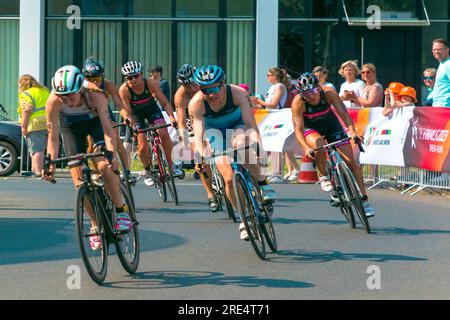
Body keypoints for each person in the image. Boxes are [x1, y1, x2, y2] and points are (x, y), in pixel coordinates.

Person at [43, 65, 132, 250]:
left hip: (94, 123)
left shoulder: (95, 94)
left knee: (104, 166)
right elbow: (52, 137)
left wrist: (112, 155)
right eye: (62, 96)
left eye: (70, 95)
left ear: (81, 89)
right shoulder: (53, 101)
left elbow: (108, 130)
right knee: (79, 183)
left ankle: (120, 209)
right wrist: (49, 163)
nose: (66, 100)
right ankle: (94, 225)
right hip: (71, 128)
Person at [189, 65, 276, 240]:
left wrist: (257, 145)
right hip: (215, 133)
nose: (211, 94)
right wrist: (199, 158)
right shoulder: (196, 104)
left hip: (238, 125)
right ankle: (244, 217)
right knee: (228, 178)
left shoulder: (237, 93)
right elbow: (198, 137)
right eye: (205, 90)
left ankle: (262, 182)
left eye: (214, 88)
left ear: (223, 84)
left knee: (242, 143)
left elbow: (251, 124)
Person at [291, 72, 375, 218]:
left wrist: (353, 132)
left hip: (331, 126)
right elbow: (298, 130)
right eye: (306, 93)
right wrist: (306, 148)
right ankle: (323, 175)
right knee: (319, 144)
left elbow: (343, 113)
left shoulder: (329, 93)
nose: (311, 96)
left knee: (352, 163)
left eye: (313, 91)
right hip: (311, 129)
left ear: (319, 87)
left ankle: (364, 201)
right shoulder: (298, 102)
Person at [119, 61, 182, 187]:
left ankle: (171, 165)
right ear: (126, 79)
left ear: (141, 74)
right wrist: (128, 120)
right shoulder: (124, 90)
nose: (133, 80)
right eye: (129, 78)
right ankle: (148, 170)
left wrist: (171, 117)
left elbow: (164, 102)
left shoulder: (150, 83)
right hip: (136, 115)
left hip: (152, 111)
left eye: (136, 76)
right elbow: (125, 110)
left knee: (163, 132)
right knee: (142, 146)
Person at [174, 64, 218, 212]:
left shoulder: (206, 87)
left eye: (193, 83)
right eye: (187, 85)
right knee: (200, 162)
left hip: (210, 116)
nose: (192, 88)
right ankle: (211, 194)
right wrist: (185, 139)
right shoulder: (181, 95)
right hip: (192, 121)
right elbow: (181, 121)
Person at [81, 58, 134, 182]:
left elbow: (119, 105)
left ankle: (127, 171)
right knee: (91, 144)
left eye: (98, 79)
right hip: (88, 113)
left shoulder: (108, 85)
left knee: (116, 138)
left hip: (103, 111)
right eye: (91, 80)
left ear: (102, 77)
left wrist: (126, 117)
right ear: (85, 79)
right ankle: (98, 172)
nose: (95, 83)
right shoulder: (82, 86)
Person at [249, 67, 294, 183]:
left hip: (277, 116)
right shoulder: (272, 88)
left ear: (275, 76)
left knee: (275, 144)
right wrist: (254, 104)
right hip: (269, 116)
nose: (267, 77)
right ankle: (270, 172)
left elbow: (273, 104)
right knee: (267, 144)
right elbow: (267, 105)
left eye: (268, 75)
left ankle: (277, 173)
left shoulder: (280, 87)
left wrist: (259, 102)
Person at [17, 74, 50, 178]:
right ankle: (34, 170)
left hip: (34, 123)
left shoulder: (26, 94)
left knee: (36, 149)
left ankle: (38, 172)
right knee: (38, 148)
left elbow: (27, 110)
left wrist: (23, 126)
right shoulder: (44, 91)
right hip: (47, 122)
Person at [431, 39, 450, 108]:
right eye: (434, 49)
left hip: (445, 107)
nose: (436, 52)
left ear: (447, 50)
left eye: (439, 49)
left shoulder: (448, 64)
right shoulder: (442, 64)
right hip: (439, 106)